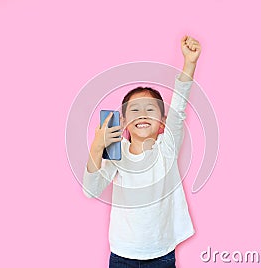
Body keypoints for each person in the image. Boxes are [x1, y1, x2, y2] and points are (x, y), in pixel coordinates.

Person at [83, 35, 201, 268]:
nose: (143, 114)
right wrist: (97, 146)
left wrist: (190, 63)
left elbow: (178, 105)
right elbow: (90, 190)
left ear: (163, 123)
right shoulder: (117, 154)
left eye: (150, 109)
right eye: (134, 110)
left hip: (162, 254)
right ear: (124, 120)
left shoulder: (166, 148)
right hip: (121, 255)